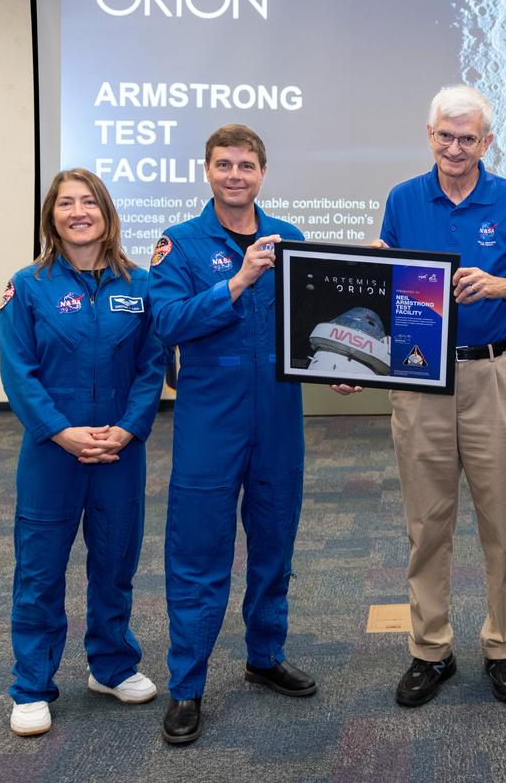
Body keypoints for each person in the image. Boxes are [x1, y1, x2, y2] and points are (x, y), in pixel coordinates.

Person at [337, 85, 506, 707]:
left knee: (501, 522)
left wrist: (502, 286)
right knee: (427, 523)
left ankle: (505, 645)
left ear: (487, 142)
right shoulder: (404, 200)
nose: (455, 148)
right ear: (429, 134)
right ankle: (430, 649)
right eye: (445, 136)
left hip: (496, 373)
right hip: (419, 379)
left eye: (468, 138)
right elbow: (392, 291)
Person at [149, 124, 313, 745]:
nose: (236, 175)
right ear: (208, 171)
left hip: (278, 418)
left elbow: (307, 325)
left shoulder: (290, 239)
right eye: (225, 165)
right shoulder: (181, 245)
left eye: (247, 165)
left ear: (262, 173)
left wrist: (340, 366)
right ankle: (187, 687)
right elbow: (166, 321)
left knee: (275, 541)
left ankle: (265, 656)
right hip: (210, 422)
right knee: (198, 554)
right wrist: (236, 282)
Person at [0, 168, 166, 737]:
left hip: (120, 449)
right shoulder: (28, 286)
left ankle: (112, 665)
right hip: (52, 452)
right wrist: (61, 431)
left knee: (115, 562)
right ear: (52, 216)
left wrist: (129, 427)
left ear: (107, 213)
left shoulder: (139, 286)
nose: (78, 212)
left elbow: (151, 368)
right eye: (65, 203)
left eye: (88, 202)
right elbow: (18, 372)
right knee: (40, 569)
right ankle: (32, 685)